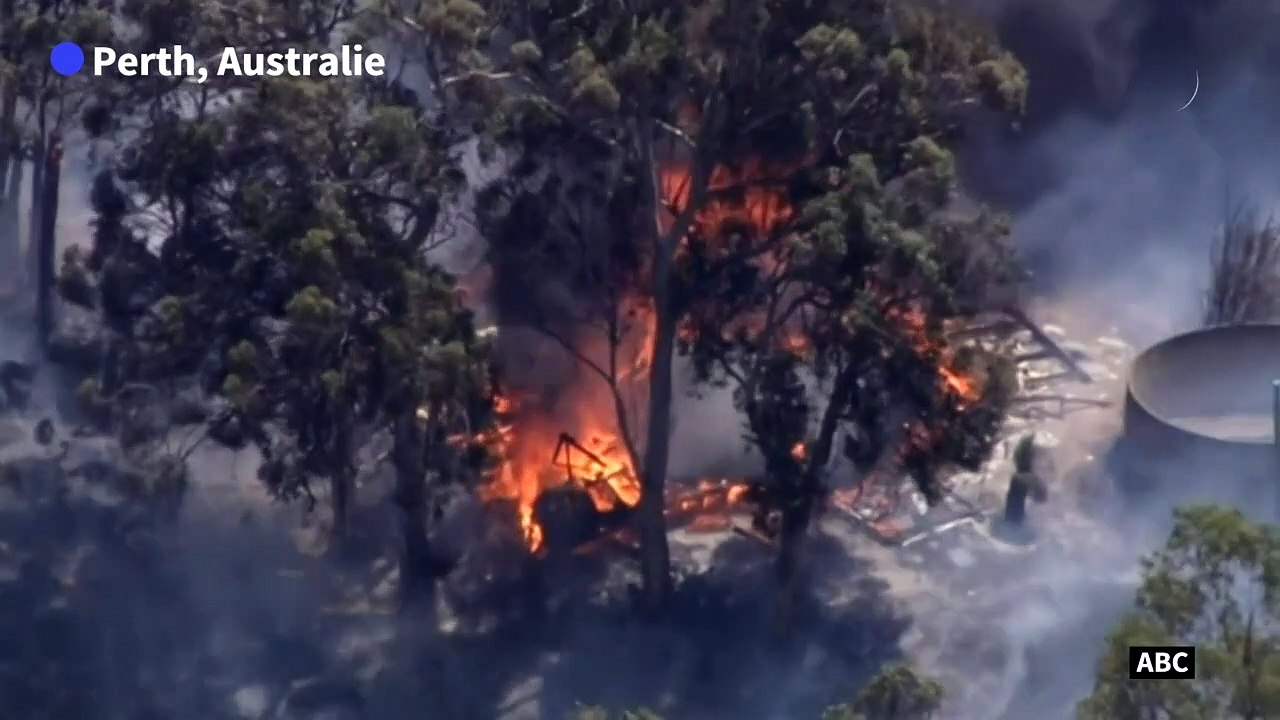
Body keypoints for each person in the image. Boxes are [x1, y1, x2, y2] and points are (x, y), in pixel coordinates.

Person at [1004, 433, 1048, 526]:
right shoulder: (1032, 480)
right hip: (1021, 528)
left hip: (1015, 526)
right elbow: (1041, 502)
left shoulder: (1020, 478)